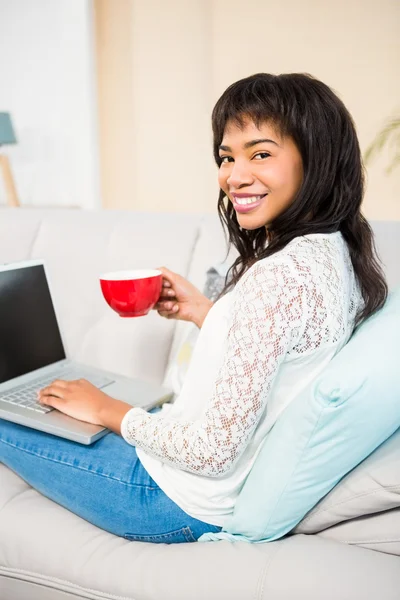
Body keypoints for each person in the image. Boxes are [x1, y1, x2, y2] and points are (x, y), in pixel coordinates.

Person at [0, 73, 388, 543]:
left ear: (318, 159)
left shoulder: (281, 277)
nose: (234, 176)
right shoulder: (331, 252)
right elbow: (289, 349)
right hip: (186, 482)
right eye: (227, 157)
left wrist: (106, 410)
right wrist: (208, 313)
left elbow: (213, 451)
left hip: (166, 499)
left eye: (261, 153)